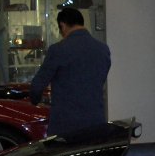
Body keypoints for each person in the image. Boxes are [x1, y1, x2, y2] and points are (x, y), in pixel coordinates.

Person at [30, 7, 111, 136]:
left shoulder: (58, 50)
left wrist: (34, 100)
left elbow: (37, 86)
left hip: (66, 125)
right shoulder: (103, 49)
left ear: (62, 25)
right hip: (95, 121)